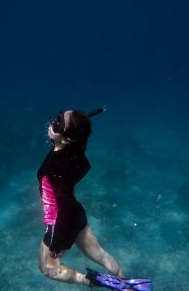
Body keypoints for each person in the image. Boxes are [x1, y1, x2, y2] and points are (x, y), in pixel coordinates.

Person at [37, 108, 126, 287]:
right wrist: (81, 120)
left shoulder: (55, 169)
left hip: (60, 222)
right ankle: (123, 281)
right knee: (100, 254)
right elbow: (76, 132)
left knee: (48, 268)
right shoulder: (75, 150)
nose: (51, 123)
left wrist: (55, 247)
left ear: (68, 138)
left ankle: (95, 281)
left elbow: (61, 208)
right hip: (76, 214)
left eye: (57, 124)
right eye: (58, 116)